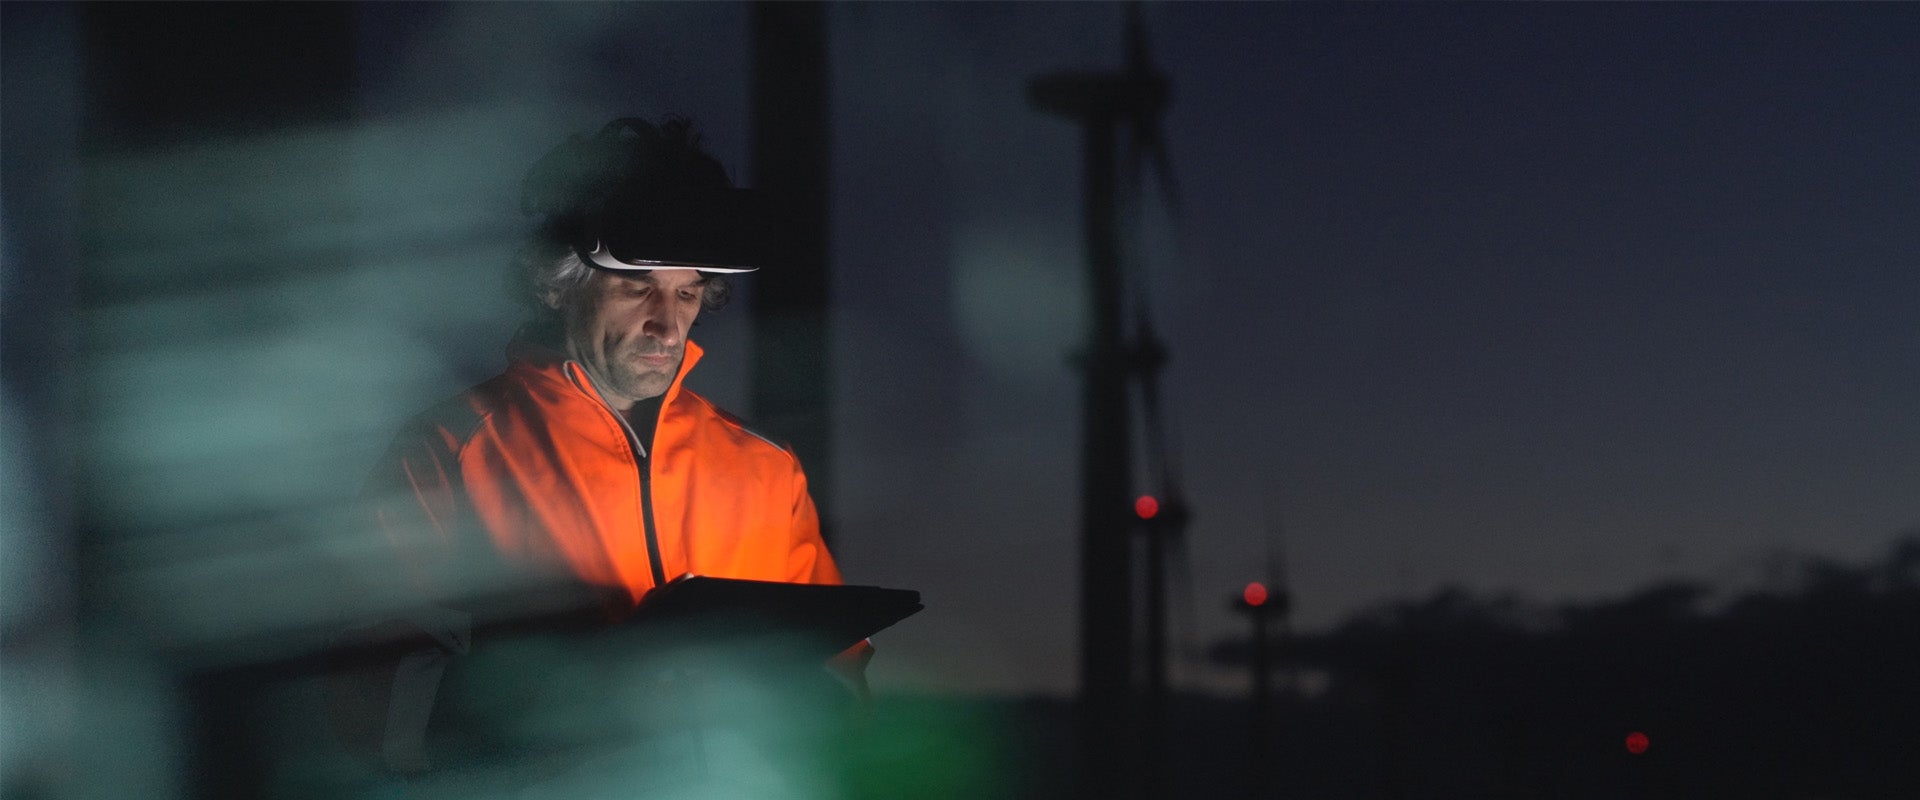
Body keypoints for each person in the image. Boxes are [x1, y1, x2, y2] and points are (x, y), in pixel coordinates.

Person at [346, 118, 867, 786]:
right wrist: (561, 694)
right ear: (557, 285)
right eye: (636, 286)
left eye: (688, 292)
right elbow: (366, 696)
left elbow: (839, 674)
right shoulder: (449, 449)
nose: (666, 320)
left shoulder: (764, 467)